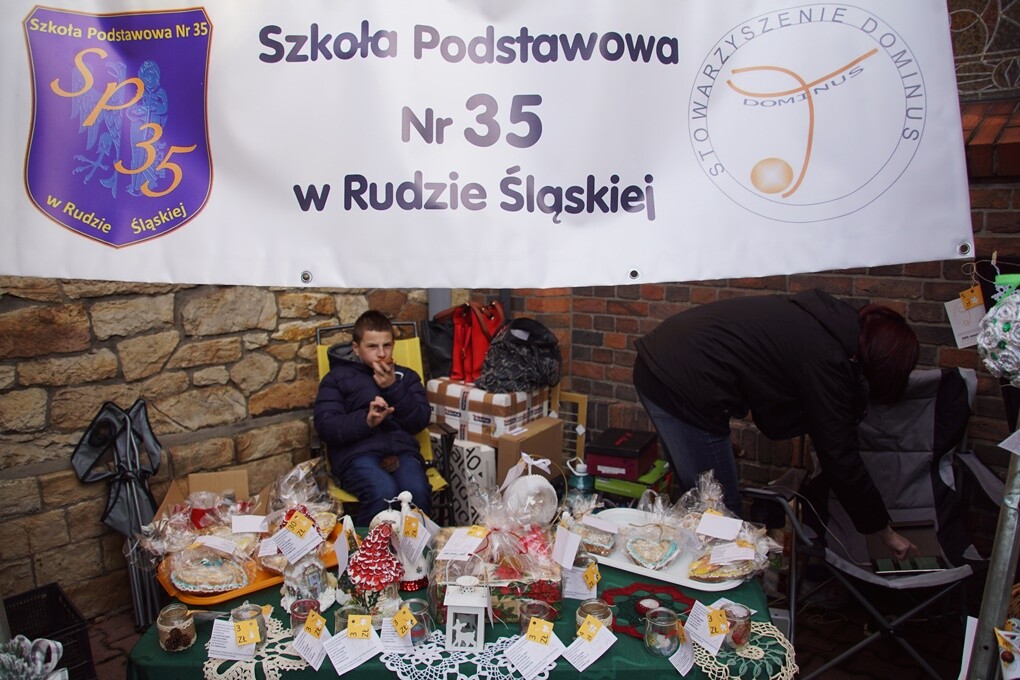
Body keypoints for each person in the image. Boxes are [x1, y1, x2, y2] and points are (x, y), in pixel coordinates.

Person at [632, 289, 919, 559]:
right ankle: (720, 589)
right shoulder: (828, 356)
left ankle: (686, 572)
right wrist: (884, 531)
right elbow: (840, 456)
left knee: (703, 503)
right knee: (723, 517)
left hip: (659, 363)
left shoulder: (826, 326)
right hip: (680, 381)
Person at [314, 310, 432, 526]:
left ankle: (417, 547)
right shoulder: (336, 379)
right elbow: (326, 426)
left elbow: (420, 420)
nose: (381, 353)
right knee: (383, 491)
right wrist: (366, 421)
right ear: (356, 348)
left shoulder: (406, 377)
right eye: (372, 346)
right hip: (356, 455)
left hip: (402, 452)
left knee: (415, 491)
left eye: (387, 345)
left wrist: (393, 387)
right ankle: (370, 547)